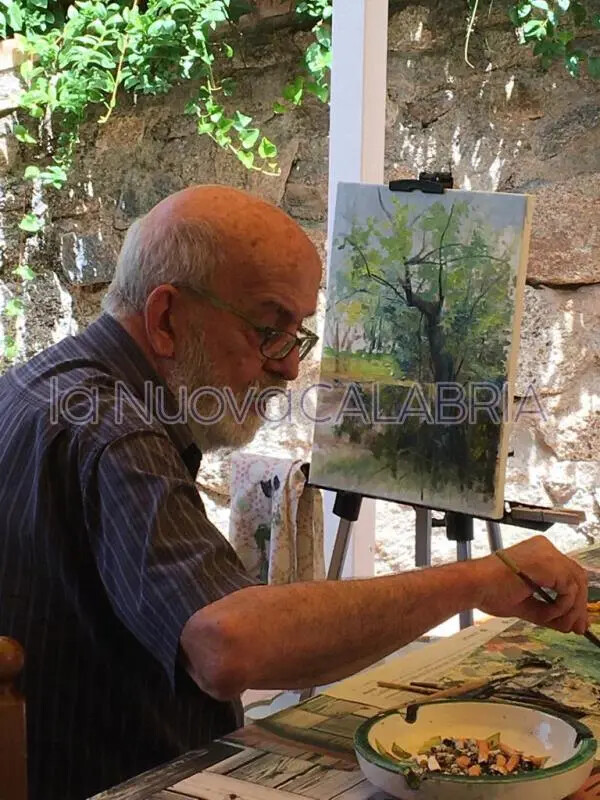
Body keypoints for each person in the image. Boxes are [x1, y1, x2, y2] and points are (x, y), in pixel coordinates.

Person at [0, 185, 588, 800]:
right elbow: (229, 646)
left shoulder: (41, 385)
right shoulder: (110, 429)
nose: (289, 367)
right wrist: (477, 580)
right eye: (269, 329)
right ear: (166, 317)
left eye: (298, 335)